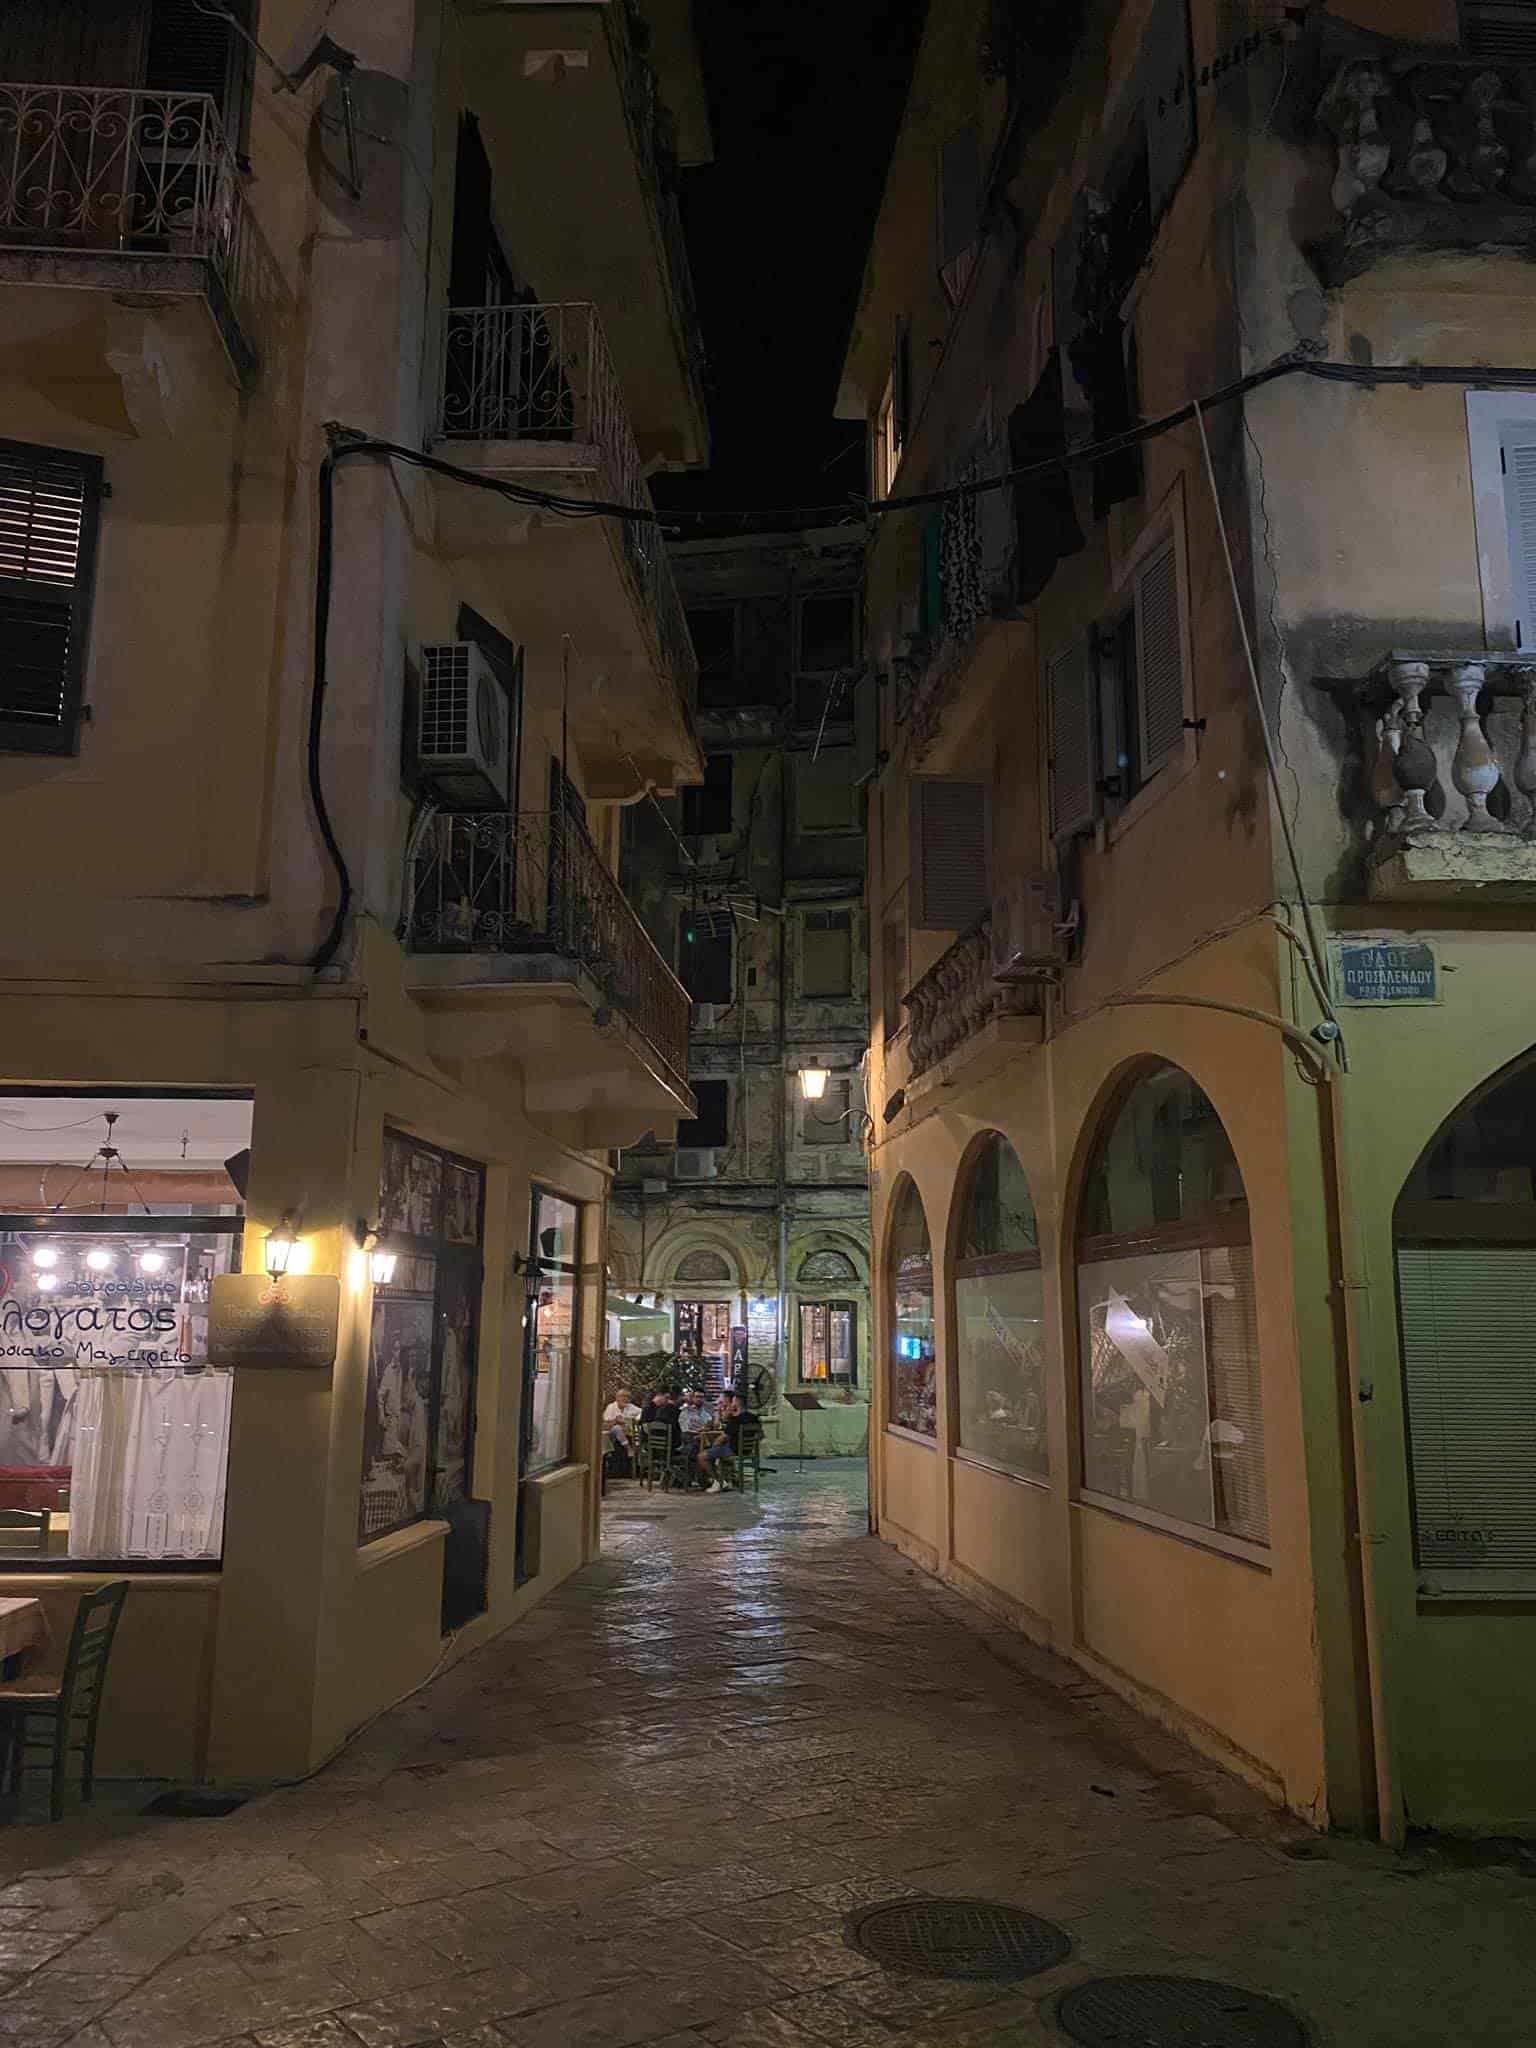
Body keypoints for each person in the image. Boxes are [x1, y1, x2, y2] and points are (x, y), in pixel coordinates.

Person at [700, 1393, 753, 1493]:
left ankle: (719, 1482)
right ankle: (726, 1479)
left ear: (736, 1403)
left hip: (733, 1451)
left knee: (702, 1456)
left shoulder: (736, 1420)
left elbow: (721, 1439)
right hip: (747, 1451)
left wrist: (713, 1446)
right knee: (715, 1452)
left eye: (733, 1401)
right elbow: (760, 1435)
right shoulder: (754, 1418)